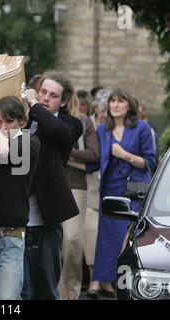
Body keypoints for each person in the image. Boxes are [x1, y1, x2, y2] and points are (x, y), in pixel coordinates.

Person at [22, 71, 83, 300]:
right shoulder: (25, 117)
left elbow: (57, 132)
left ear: (64, 101)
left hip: (47, 218)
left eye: (53, 95)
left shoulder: (70, 124)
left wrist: (34, 105)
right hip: (18, 214)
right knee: (22, 288)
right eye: (42, 92)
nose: (45, 98)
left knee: (47, 285)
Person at [90, 88, 156, 297]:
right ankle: (103, 281)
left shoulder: (142, 128)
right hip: (110, 190)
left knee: (125, 238)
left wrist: (125, 155)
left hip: (132, 192)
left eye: (120, 101)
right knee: (107, 239)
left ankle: (129, 285)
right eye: (112, 101)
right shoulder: (103, 130)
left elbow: (149, 162)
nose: (115, 105)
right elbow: (95, 158)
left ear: (130, 106)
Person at [0, 96, 40, 300]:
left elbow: (6, 150)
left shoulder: (30, 141)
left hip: (11, 238)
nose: (3, 127)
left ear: (22, 121)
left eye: (9, 121)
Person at [58, 92, 99, 300]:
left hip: (77, 186)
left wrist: (65, 152)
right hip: (51, 188)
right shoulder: (44, 119)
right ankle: (54, 293)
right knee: (53, 245)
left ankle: (70, 295)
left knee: (72, 241)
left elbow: (94, 156)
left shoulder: (83, 122)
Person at [85, 88, 112, 299]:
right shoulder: (89, 125)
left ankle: (106, 280)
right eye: (101, 110)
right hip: (90, 186)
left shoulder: (114, 127)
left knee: (108, 234)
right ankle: (94, 278)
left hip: (110, 187)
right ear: (95, 109)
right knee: (91, 233)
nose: (103, 114)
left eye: (107, 110)